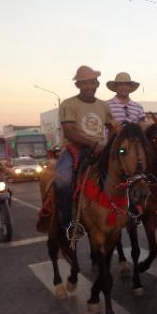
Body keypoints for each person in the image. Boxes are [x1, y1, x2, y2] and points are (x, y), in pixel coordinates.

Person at [53, 65, 114, 231]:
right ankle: (67, 222)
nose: (89, 86)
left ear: (97, 84)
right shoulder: (69, 104)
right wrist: (93, 145)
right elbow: (70, 132)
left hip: (100, 149)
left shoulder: (103, 105)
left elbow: (114, 127)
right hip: (75, 150)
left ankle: (129, 212)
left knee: (128, 172)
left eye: (92, 82)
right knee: (63, 180)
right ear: (78, 86)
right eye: (84, 83)